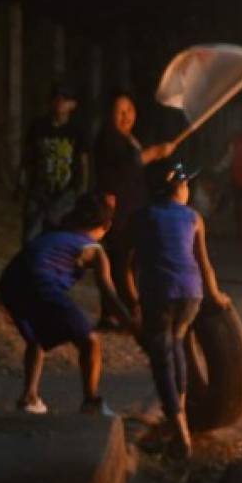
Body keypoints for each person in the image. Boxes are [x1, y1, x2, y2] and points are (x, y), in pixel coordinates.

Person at [0, 192, 137, 416]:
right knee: (90, 341)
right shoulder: (95, 250)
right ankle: (91, 401)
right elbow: (109, 294)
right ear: (107, 226)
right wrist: (131, 324)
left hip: (10, 280)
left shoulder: (58, 234)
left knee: (37, 336)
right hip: (40, 281)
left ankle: (29, 397)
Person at [128, 161, 232, 459]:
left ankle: (181, 432)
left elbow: (127, 264)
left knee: (162, 358)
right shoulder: (194, 218)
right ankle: (180, 418)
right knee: (178, 346)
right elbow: (205, 264)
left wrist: (134, 301)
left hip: (158, 294)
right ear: (177, 188)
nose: (188, 190)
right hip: (191, 294)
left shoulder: (142, 217)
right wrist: (217, 296)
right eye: (185, 185)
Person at [93, 91, 176, 329]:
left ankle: (115, 312)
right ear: (110, 115)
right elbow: (126, 168)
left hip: (134, 210)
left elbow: (138, 171)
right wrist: (154, 153)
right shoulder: (108, 140)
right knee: (119, 261)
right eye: (119, 111)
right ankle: (127, 311)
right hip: (117, 212)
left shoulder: (130, 140)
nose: (125, 116)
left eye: (128, 110)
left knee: (127, 262)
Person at [19, 85, 88, 243]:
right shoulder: (38, 127)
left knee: (58, 236)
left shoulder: (76, 131)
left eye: (65, 99)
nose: (60, 102)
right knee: (30, 237)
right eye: (57, 98)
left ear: (73, 105)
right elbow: (28, 155)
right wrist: (21, 181)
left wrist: (81, 190)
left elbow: (83, 162)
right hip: (38, 190)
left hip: (65, 193)